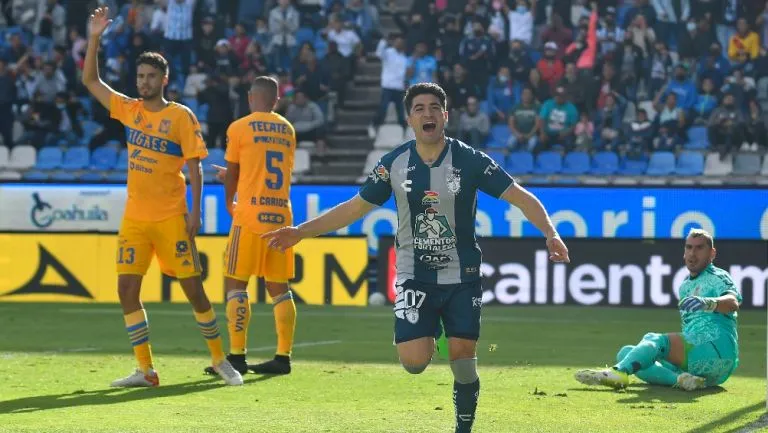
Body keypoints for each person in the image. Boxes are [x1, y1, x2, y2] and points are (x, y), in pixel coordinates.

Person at [262, 83, 570, 433]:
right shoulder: (394, 164)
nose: (428, 113)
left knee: (463, 362)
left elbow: (520, 197)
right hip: (413, 274)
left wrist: (551, 232)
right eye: (420, 108)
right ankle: (434, 330)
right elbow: (354, 208)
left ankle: (463, 427)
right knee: (413, 363)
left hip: (462, 274)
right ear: (410, 118)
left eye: (435, 107)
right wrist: (300, 232)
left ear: (445, 115)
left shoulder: (469, 160)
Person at [81, 7, 243, 387]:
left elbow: (195, 168)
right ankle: (146, 370)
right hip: (135, 218)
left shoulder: (181, 117)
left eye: (151, 76)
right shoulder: (128, 110)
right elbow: (90, 81)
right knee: (126, 291)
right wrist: (93, 39)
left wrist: (195, 212)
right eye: (140, 76)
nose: (144, 82)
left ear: (164, 79)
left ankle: (221, 360)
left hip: (171, 216)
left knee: (194, 291)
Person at [204, 76, 299, 377]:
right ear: (276, 100)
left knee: (236, 284)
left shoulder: (239, 127)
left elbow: (233, 171)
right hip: (281, 216)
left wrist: (229, 200)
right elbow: (263, 167)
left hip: (249, 216)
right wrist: (240, 176)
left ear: (250, 97)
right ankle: (283, 357)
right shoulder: (287, 129)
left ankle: (237, 357)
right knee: (279, 289)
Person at [575, 229, 741, 391]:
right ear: (684, 252)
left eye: (699, 248)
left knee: (654, 339)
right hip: (701, 366)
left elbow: (732, 302)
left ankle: (618, 372)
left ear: (712, 253)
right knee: (627, 353)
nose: (692, 253)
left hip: (717, 351)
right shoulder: (685, 286)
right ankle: (682, 380)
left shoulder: (718, 276)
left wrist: (708, 302)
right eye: (689, 247)